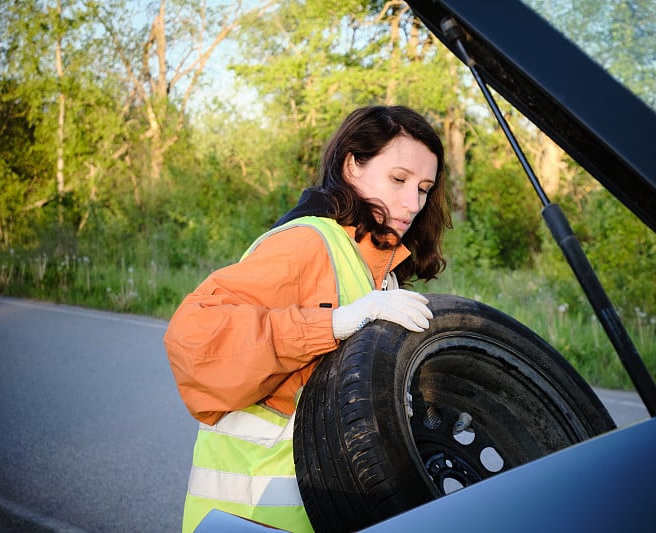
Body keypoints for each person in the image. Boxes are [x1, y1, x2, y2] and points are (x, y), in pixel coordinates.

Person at [164, 105, 450, 533]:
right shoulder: (307, 243)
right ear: (352, 165)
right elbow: (193, 344)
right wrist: (332, 325)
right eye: (398, 179)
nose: (413, 202)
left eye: (424, 188)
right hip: (252, 517)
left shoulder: (383, 274)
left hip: (330, 512)